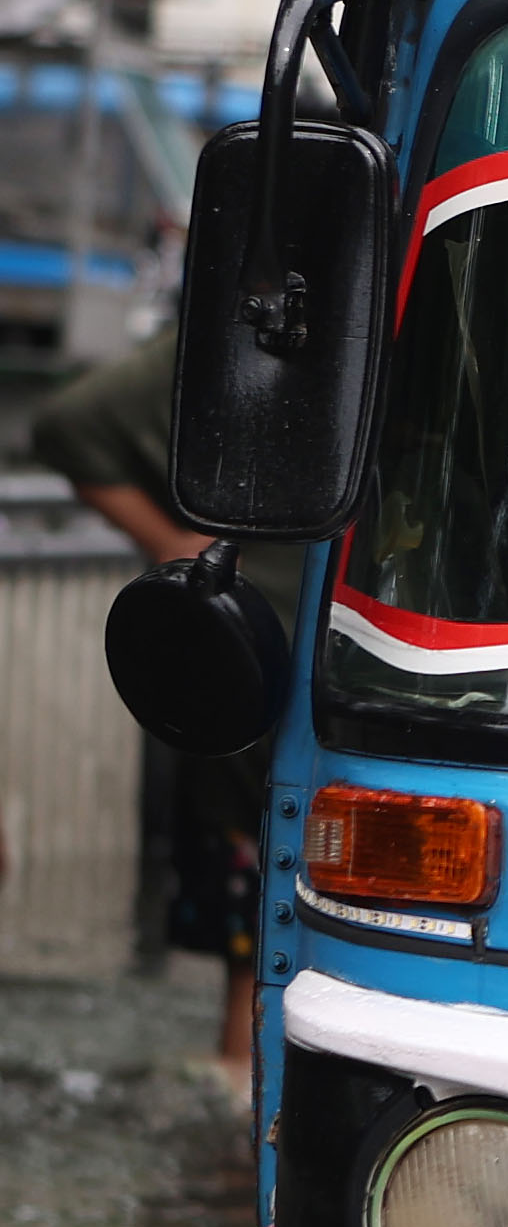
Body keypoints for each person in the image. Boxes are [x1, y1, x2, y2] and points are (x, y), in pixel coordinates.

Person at [31, 322, 265, 1067]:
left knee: (260, 944)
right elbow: (71, 424)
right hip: (256, 676)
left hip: (276, 674)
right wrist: (175, 545)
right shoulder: (268, 333)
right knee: (259, 948)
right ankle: (245, 1152)